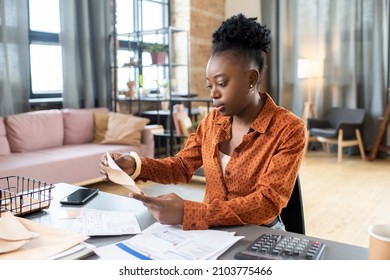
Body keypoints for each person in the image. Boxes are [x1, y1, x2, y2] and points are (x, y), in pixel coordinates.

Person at [100, 13, 306, 231]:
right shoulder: (212, 122)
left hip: (258, 233)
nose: (213, 94)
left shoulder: (288, 129)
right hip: (210, 231)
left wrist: (188, 212)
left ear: (251, 79)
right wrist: (136, 165)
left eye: (222, 83)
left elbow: (267, 203)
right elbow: (181, 167)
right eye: (210, 86)